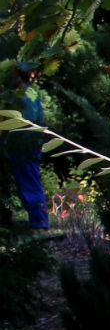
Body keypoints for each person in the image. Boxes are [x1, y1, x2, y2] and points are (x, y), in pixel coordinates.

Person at [5, 63, 49, 230]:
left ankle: (40, 222)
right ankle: (38, 221)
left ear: (18, 77)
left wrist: (11, 140)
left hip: (26, 147)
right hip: (25, 145)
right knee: (28, 181)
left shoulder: (26, 96)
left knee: (30, 182)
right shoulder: (28, 93)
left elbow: (26, 124)